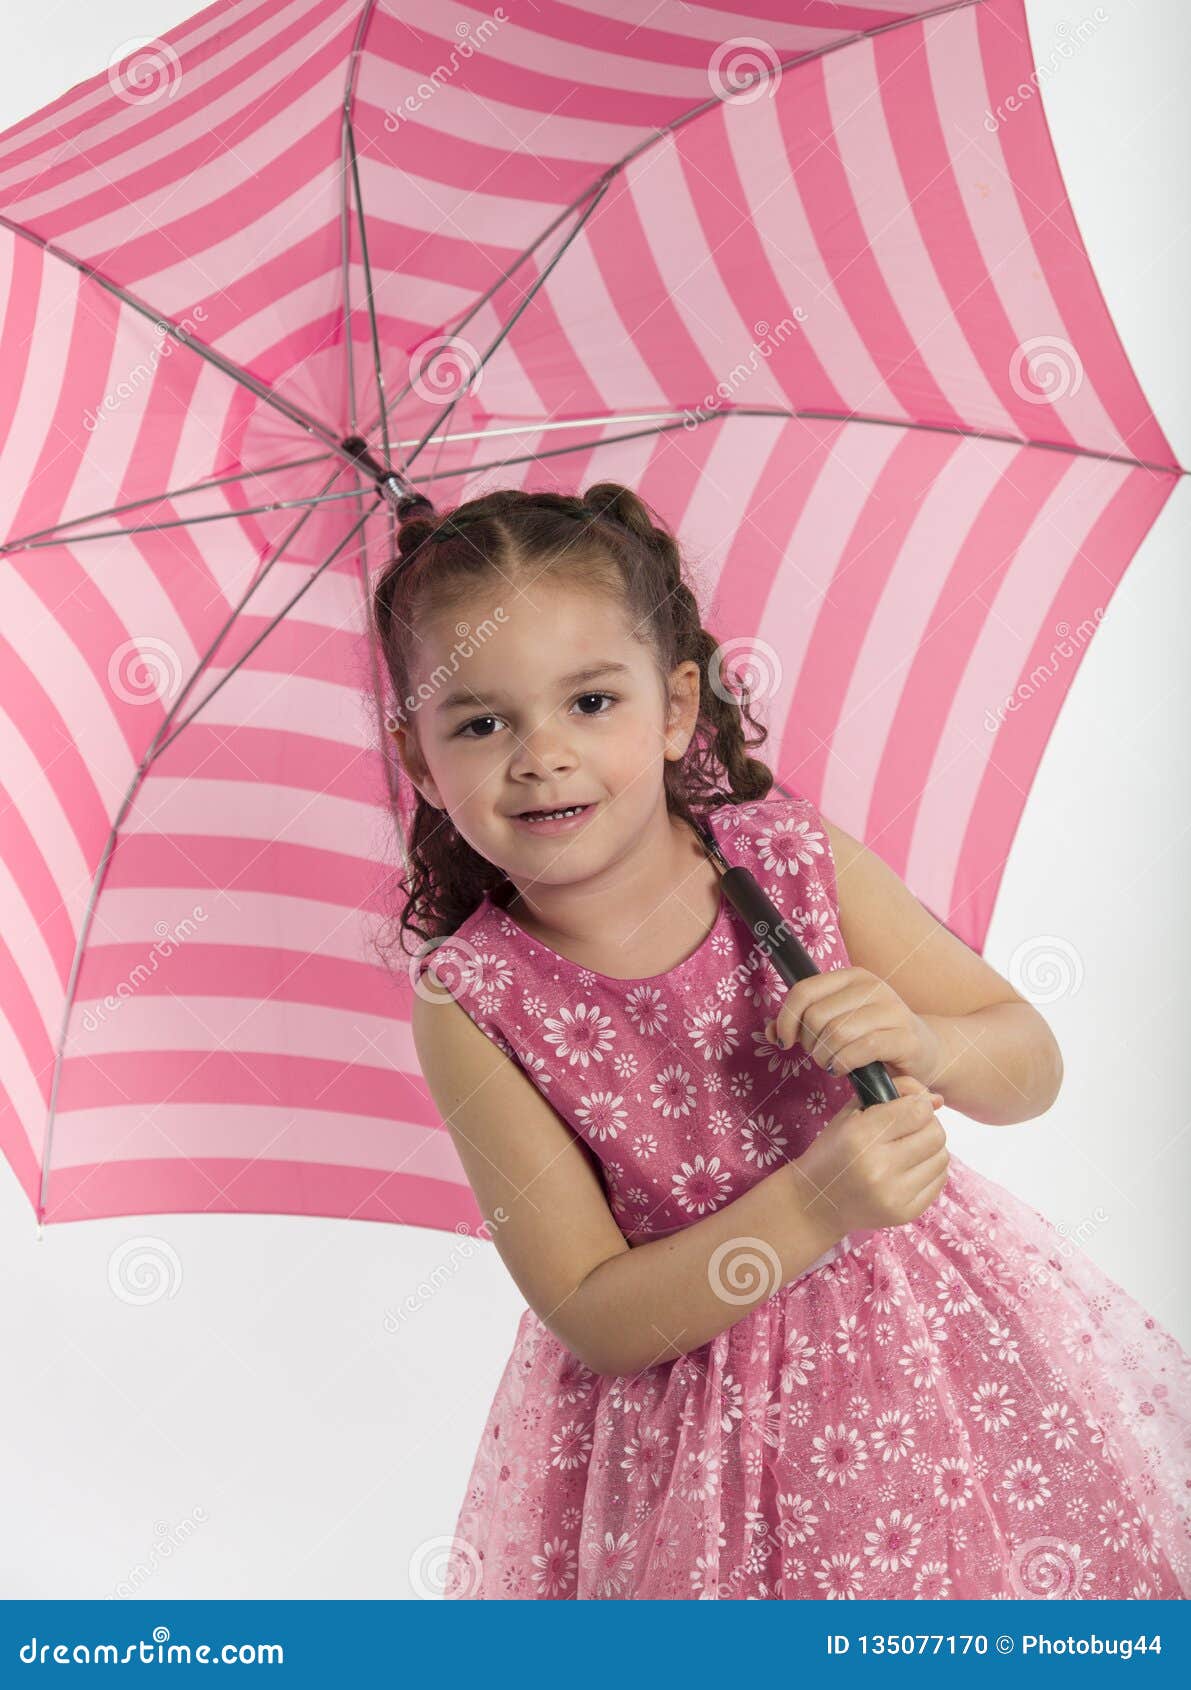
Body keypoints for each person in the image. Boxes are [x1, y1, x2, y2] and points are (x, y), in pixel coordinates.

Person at [371, 481, 1190, 1601]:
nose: (540, 754)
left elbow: (1028, 1064)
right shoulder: (474, 1001)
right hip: (685, 1441)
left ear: (674, 707)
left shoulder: (796, 864)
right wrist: (814, 1205)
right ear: (420, 761)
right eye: (480, 722)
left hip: (923, 1369)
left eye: (591, 702)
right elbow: (594, 1311)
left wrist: (924, 1038)